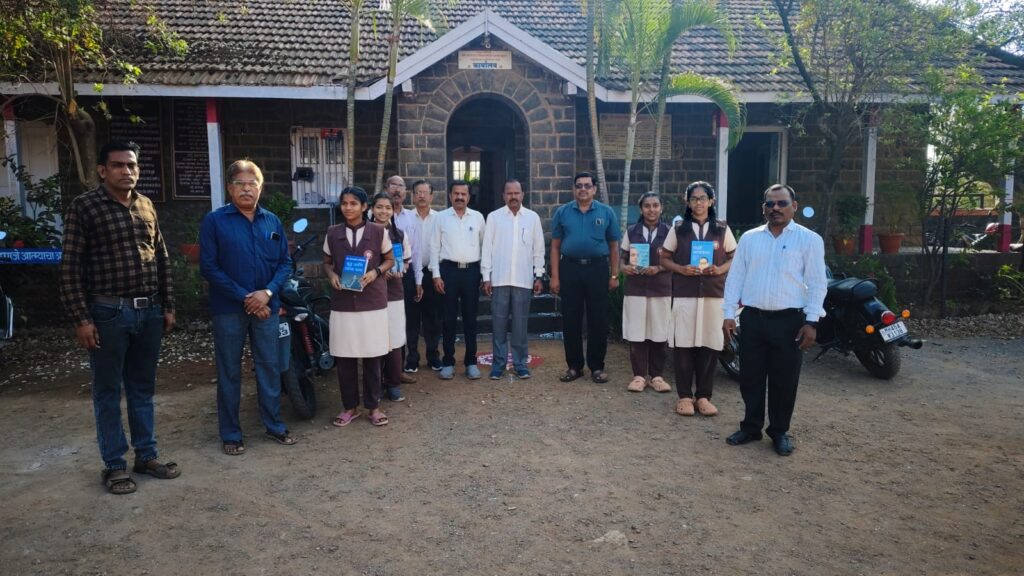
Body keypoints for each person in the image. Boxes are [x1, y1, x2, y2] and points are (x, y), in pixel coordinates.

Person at [59, 140, 181, 494]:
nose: (127, 171)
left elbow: (161, 257)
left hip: (149, 312)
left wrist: (168, 305)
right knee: (108, 391)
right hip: (107, 313)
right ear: (102, 170)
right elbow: (70, 267)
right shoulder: (85, 207)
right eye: (118, 165)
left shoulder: (145, 205)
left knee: (142, 388)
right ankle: (114, 465)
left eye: (132, 165)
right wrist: (81, 318)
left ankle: (147, 456)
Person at [200, 159, 297, 456]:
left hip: (267, 306)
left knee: (269, 367)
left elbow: (285, 263)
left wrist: (266, 293)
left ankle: (274, 425)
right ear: (230, 188)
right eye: (240, 184)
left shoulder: (272, 221)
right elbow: (209, 267)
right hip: (229, 310)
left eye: (252, 183)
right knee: (229, 371)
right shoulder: (215, 221)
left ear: (260, 187)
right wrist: (248, 298)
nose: (246, 189)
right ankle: (231, 433)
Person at [722, 183, 827, 456]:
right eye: (770, 204)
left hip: (789, 322)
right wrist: (728, 314)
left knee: (784, 380)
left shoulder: (809, 240)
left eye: (782, 203)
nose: (775, 208)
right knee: (750, 377)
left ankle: (779, 431)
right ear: (763, 208)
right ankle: (751, 427)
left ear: (794, 206)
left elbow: (818, 283)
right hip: (753, 319)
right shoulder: (749, 239)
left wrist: (812, 322)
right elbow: (735, 278)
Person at [660, 182, 737, 416]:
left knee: (710, 345)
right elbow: (664, 258)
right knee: (683, 345)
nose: (698, 203)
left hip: (713, 295)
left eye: (703, 198)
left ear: (711, 201)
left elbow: (735, 256)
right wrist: (681, 269)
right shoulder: (679, 228)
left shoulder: (721, 228)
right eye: (694, 198)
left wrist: (720, 268)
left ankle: (704, 396)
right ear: (687, 202)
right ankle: (684, 396)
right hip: (685, 295)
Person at [323, 186, 395, 427]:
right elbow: (327, 262)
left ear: (365, 207)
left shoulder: (378, 232)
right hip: (343, 302)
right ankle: (349, 407)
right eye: (344, 203)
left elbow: (389, 260)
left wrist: (375, 272)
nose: (348, 207)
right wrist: (332, 275)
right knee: (345, 356)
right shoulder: (333, 233)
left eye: (354, 203)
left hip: (372, 302)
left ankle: (373, 407)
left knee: (373, 356)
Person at [549, 171, 621, 384]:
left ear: (594, 189)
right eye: (579, 185)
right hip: (570, 268)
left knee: (598, 319)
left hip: (597, 269)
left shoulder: (606, 212)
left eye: (587, 185)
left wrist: (614, 274)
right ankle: (574, 366)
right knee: (571, 318)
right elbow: (555, 247)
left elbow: (614, 246)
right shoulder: (562, 212)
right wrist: (555, 276)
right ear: (574, 189)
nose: (583, 189)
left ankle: (597, 367)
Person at [481, 179, 545, 380]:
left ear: (523, 194)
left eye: (517, 193)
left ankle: (520, 363)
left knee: (520, 325)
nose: (513, 197)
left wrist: (539, 275)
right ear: (503, 196)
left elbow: (538, 249)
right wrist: (486, 276)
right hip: (499, 279)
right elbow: (487, 249)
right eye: (509, 193)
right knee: (498, 324)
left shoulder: (532, 218)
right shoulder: (494, 217)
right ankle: (498, 364)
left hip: (523, 280)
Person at [429, 180, 486, 380]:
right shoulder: (441, 218)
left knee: (471, 319)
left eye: (463, 194)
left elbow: (484, 247)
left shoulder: (478, 217)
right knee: (448, 319)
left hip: (471, 272)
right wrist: (436, 275)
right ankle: (448, 362)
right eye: (456, 193)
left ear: (469, 197)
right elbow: (434, 247)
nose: (460, 197)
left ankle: (471, 362)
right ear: (450, 195)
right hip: (448, 272)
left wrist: (485, 274)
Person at [620, 192, 673, 393]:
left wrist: (658, 268)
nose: (651, 210)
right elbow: (622, 258)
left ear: (661, 208)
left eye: (655, 205)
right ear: (641, 209)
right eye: (647, 206)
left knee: (660, 332)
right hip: (636, 290)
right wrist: (624, 268)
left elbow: (676, 260)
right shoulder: (632, 231)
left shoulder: (670, 232)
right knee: (637, 333)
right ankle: (639, 376)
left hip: (661, 289)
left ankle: (657, 376)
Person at [371, 192, 418, 401]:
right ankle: (375, 384)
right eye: (379, 207)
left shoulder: (399, 235)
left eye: (388, 208)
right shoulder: (364, 234)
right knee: (375, 339)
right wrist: (380, 271)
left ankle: (393, 383)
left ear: (393, 210)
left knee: (395, 339)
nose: (383, 211)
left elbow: (406, 262)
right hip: (370, 294)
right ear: (372, 209)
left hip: (394, 293)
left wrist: (399, 270)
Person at [386, 175, 423, 382]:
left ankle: (405, 364)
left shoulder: (411, 218)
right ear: (386, 189)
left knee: (406, 319)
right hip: (379, 276)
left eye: (401, 186)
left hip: (404, 275)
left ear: (405, 192)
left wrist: (418, 280)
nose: (397, 190)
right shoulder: (374, 216)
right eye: (393, 185)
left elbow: (415, 252)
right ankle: (386, 369)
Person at [404, 180, 442, 372]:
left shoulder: (439, 218)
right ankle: (412, 357)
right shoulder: (406, 218)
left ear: (431, 196)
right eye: (417, 192)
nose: (421, 196)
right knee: (411, 317)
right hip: (411, 273)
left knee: (432, 317)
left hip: (432, 273)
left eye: (425, 192)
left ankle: (433, 356)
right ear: (412, 196)